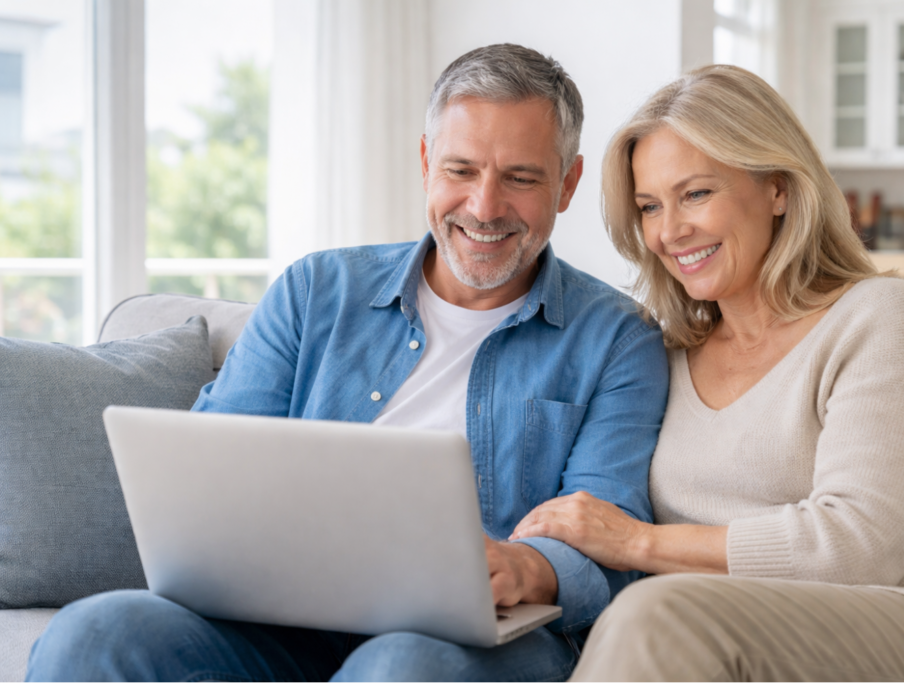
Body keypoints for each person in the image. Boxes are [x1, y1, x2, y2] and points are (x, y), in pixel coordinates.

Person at [25, 44, 669, 683]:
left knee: (397, 668)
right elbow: (213, 461)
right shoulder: (315, 291)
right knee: (93, 634)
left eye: (521, 178)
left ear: (568, 183)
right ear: (425, 163)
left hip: (476, 642)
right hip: (280, 621)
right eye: (461, 170)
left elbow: (612, 529)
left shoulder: (618, 340)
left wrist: (530, 567)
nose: (484, 206)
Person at [511, 64, 904, 681]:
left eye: (696, 193)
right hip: (731, 632)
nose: (671, 231)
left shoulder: (880, 317)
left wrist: (636, 543)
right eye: (650, 206)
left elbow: (863, 544)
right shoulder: (659, 353)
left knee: (660, 615)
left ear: (777, 188)